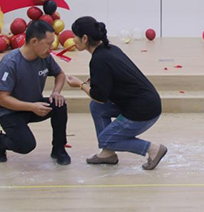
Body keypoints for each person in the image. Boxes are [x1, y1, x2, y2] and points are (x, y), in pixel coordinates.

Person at [65, 16, 167, 170]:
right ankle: (108, 154)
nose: (73, 39)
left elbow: (99, 96)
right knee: (97, 108)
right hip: (146, 102)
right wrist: (98, 80)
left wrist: (80, 84)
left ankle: (152, 149)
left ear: (85, 38)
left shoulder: (98, 59)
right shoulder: (109, 49)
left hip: (143, 111)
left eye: (75, 36)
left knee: (105, 139)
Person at [0, 20, 70, 165]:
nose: (51, 48)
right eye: (48, 44)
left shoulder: (45, 57)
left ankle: (59, 149)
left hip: (34, 106)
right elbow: (3, 99)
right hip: (10, 112)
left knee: (59, 105)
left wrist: (56, 92)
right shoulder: (10, 63)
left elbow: (60, 74)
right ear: (34, 41)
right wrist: (32, 107)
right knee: (26, 145)